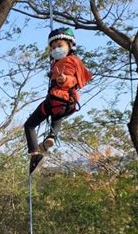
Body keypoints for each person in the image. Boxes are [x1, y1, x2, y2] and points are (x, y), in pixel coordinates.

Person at [24, 27, 92, 174]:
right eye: (53, 47)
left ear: (70, 45)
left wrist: (64, 79)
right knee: (57, 116)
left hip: (57, 99)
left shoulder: (69, 61)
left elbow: (72, 79)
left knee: (29, 125)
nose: (56, 49)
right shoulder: (57, 63)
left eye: (60, 45)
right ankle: (51, 137)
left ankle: (36, 154)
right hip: (66, 103)